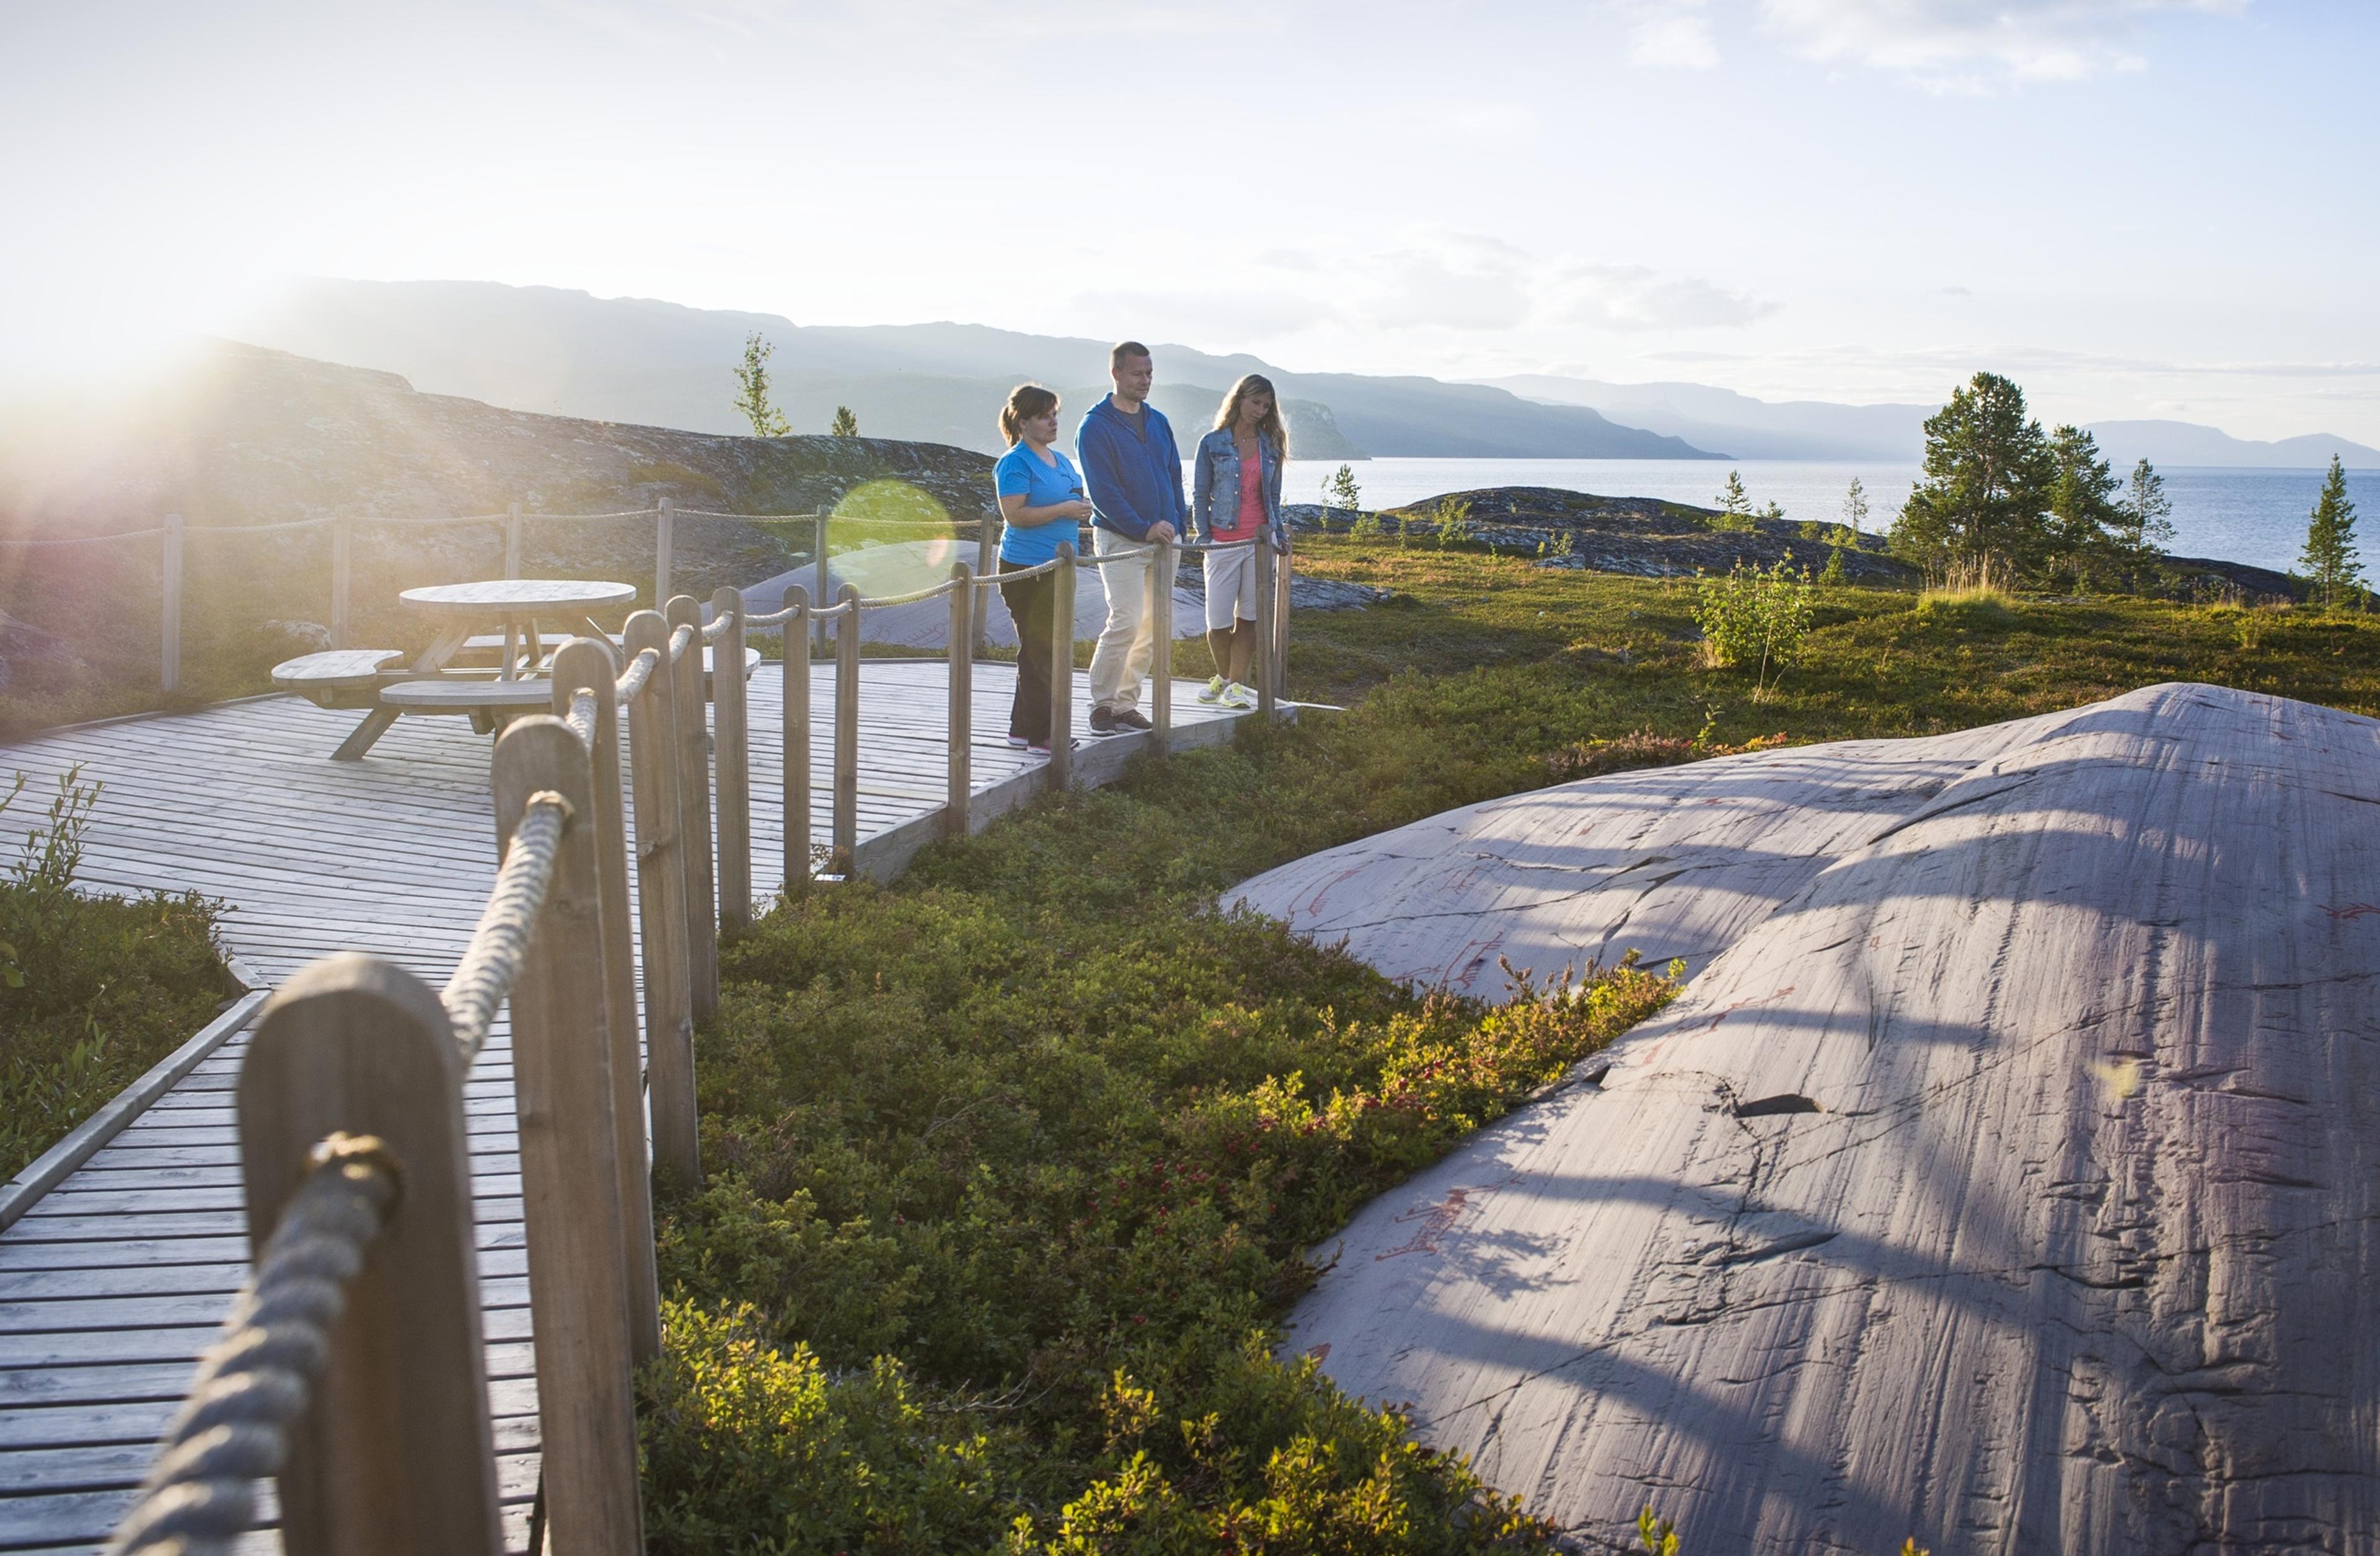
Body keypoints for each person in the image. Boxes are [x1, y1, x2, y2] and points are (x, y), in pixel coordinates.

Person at [1075, 340, 1186, 736]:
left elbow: (1174, 476)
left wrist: (1179, 523)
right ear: (1116, 374)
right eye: (1138, 373)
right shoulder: (1095, 427)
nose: (1146, 381)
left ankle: (1126, 705)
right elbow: (1104, 493)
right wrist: (1144, 528)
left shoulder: (1158, 422)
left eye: (1150, 373)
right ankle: (1102, 705)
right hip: (1121, 540)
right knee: (1125, 620)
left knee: (1152, 627)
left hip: (1165, 542)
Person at [991, 384, 1090, 755]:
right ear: (1024, 421)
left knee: (1038, 649)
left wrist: (1080, 509)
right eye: (1045, 416)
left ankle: (1021, 730)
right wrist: (1064, 510)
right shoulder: (1015, 463)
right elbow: (1014, 516)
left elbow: (1074, 498)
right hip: (1026, 569)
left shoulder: (1061, 461)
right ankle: (1044, 735)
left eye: (1055, 415)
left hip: (1059, 567)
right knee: (1041, 651)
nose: (1053, 422)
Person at [1188, 374, 1287, 707]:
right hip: (1222, 541)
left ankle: (1232, 688)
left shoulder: (1271, 446)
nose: (1260, 410)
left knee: (1249, 618)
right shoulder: (1212, 443)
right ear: (1240, 399)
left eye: (1266, 405)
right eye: (1255, 402)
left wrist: (1279, 536)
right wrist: (1204, 536)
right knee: (1217, 623)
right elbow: (1200, 494)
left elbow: (1273, 496)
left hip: (1260, 543)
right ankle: (1227, 679)